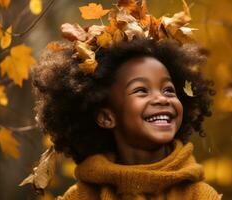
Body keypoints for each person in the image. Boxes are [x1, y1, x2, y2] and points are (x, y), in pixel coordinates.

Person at [29, 0, 221, 199]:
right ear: (106, 117)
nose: (161, 99)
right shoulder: (81, 197)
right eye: (141, 90)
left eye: (169, 90)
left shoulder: (200, 196)